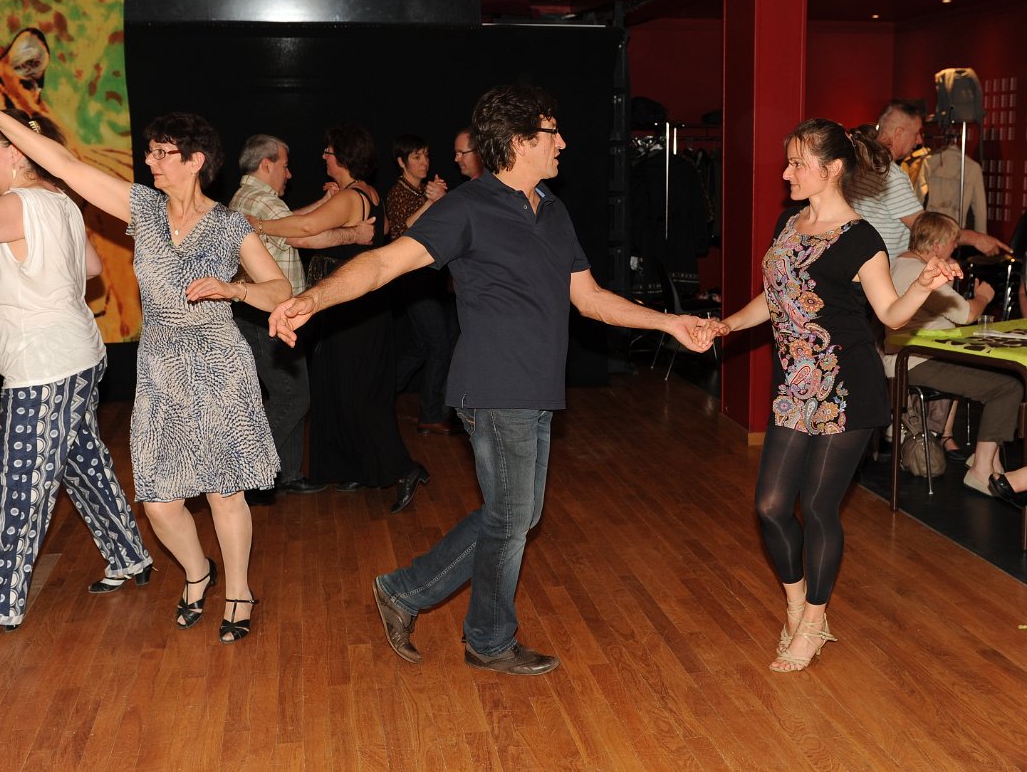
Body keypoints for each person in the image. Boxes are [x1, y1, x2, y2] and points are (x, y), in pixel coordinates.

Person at [268, 85, 714, 675]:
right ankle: (488, 638)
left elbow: (591, 299)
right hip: (494, 386)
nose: (563, 143)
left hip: (537, 387)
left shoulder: (552, 210)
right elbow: (383, 263)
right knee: (510, 518)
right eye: (552, 133)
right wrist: (312, 299)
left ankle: (405, 591)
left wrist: (669, 323)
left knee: (516, 517)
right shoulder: (468, 207)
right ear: (520, 141)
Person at [0, 84, 291, 645]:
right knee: (158, 502)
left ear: (195, 161)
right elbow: (64, 164)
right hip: (159, 367)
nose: (150, 161)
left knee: (224, 492)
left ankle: (238, 590)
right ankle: (197, 572)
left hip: (218, 366)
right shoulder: (144, 209)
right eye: (150, 151)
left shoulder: (231, 226)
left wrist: (234, 289)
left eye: (162, 152)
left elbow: (278, 289)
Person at [707, 119, 961, 672]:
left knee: (819, 507)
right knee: (771, 506)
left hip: (847, 387)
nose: (786, 173)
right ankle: (797, 605)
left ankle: (814, 623)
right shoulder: (789, 222)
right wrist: (727, 325)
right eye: (789, 162)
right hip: (795, 387)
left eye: (797, 163)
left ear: (833, 169)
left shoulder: (862, 238)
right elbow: (776, 297)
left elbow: (890, 314)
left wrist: (923, 285)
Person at [0, 95, 154, 641]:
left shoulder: (22, 203)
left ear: (19, 152)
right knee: (80, 460)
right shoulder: (59, 200)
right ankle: (128, 555)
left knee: (20, 481)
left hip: (44, 368)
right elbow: (91, 267)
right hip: (77, 356)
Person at [247, 124, 428, 514]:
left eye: (328, 151)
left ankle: (404, 469)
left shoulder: (351, 196)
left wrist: (257, 225)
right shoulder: (360, 193)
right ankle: (356, 468)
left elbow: (306, 228)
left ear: (343, 156)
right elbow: (323, 233)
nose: (323, 156)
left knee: (358, 394)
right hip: (351, 308)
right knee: (338, 389)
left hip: (355, 309)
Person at [229, 134, 376, 502]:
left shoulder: (251, 197)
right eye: (285, 165)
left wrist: (323, 203)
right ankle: (247, 472)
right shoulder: (260, 200)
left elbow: (292, 223)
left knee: (292, 392)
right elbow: (304, 236)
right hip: (265, 315)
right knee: (293, 398)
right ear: (266, 164)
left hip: (270, 313)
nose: (289, 173)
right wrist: (355, 233)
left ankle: (287, 475)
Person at [883, 211, 1026, 505]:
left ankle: (990, 461)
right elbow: (966, 314)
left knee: (1003, 379)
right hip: (917, 360)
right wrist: (984, 296)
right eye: (953, 242)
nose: (955, 248)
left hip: (906, 356)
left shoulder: (899, 262)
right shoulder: (923, 273)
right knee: (1008, 386)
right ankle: (981, 468)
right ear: (937, 244)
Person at [850, 101, 1008, 258]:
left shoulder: (860, 164)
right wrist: (975, 238)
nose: (919, 140)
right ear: (898, 133)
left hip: (862, 262)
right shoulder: (891, 175)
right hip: (884, 269)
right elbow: (924, 228)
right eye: (916, 133)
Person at [385, 133, 457, 435]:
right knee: (439, 345)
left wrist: (439, 198)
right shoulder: (398, 193)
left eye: (426, 155)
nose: (424, 162)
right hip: (412, 283)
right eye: (416, 156)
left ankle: (379, 394)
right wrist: (431, 201)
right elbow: (402, 232)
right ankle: (429, 414)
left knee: (420, 347)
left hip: (431, 281)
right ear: (402, 163)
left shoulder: (422, 190)